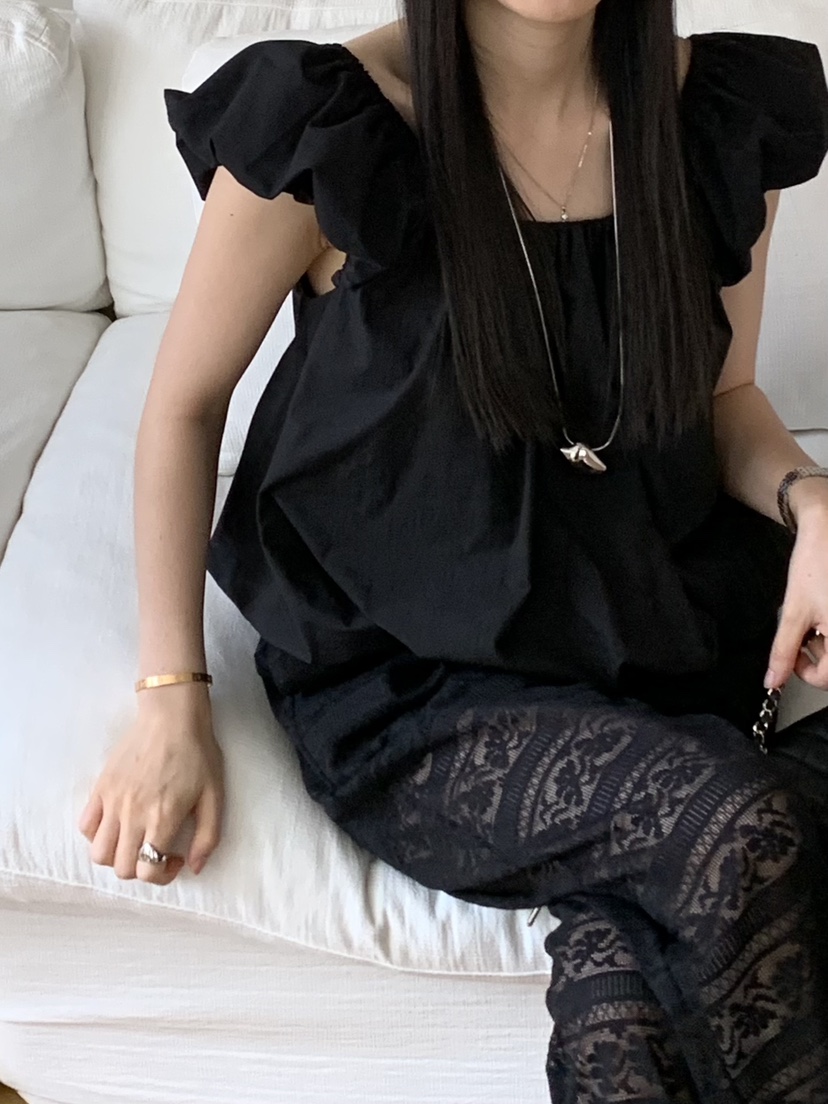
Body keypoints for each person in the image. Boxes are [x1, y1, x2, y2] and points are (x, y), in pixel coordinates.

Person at [78, 1, 828, 1098]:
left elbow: (725, 399)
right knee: (742, 824)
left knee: (626, 997)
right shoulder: (335, 121)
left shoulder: (715, 117)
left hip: (650, 627)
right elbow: (183, 409)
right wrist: (170, 694)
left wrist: (812, 502)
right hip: (413, 680)